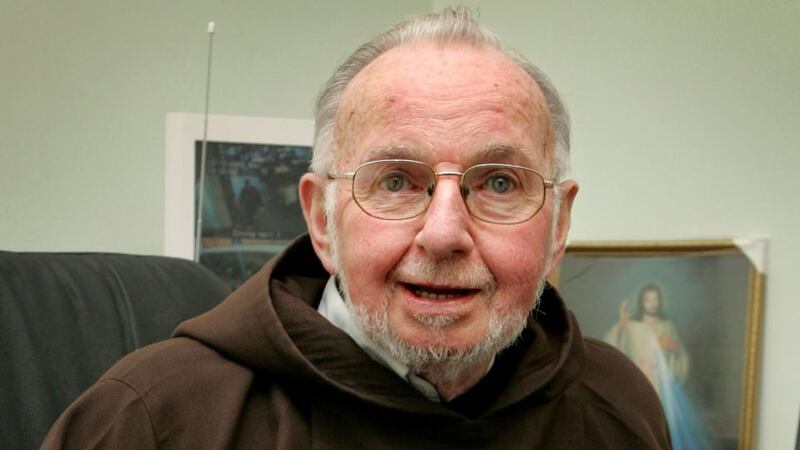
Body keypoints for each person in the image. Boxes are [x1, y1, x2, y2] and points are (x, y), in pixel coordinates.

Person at [43, 8, 671, 449]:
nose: (444, 233)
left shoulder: (618, 407)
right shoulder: (150, 421)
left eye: (499, 183)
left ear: (558, 225)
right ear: (321, 218)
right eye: (396, 181)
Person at [605, 283, 689, 392]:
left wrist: (672, 346)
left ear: (660, 301)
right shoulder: (633, 326)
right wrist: (622, 323)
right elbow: (612, 343)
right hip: (638, 380)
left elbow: (680, 354)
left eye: (655, 299)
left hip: (662, 383)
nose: (652, 304)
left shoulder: (667, 325)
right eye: (647, 300)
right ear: (642, 302)